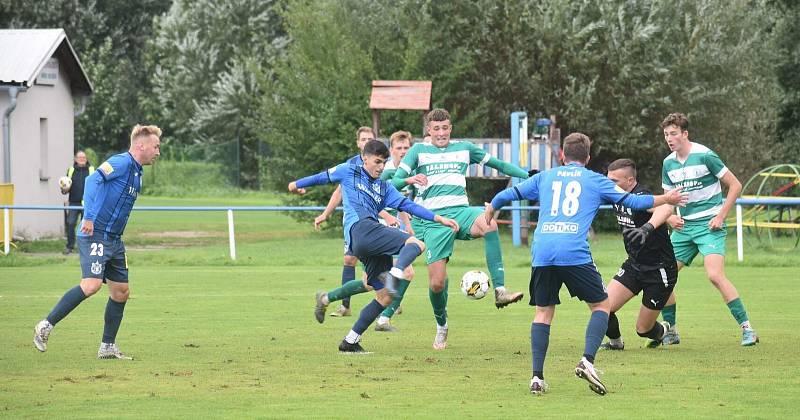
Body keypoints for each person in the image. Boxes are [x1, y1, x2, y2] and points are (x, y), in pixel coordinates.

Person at [485, 133, 687, 396]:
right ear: (588, 158)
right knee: (601, 306)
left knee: (543, 313)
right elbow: (636, 201)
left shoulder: (546, 176)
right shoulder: (595, 180)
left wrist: (491, 209)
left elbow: (508, 194)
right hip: (573, 251)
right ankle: (587, 361)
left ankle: (536, 378)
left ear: (562, 156)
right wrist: (667, 199)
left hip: (542, 250)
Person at [290, 140, 459, 352]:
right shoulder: (349, 171)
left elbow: (408, 205)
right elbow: (321, 177)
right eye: (377, 162)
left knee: (385, 296)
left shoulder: (383, 187)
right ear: (365, 158)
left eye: (383, 162)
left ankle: (350, 341)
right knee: (415, 242)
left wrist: (438, 218)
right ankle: (396, 272)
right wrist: (295, 185)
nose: (380, 167)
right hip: (360, 229)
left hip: (367, 242)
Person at [390, 108, 529, 350]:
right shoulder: (418, 152)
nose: (441, 133)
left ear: (450, 128)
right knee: (436, 285)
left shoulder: (464, 148)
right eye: (436, 129)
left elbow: (499, 164)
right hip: (433, 220)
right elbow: (393, 182)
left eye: (445, 128)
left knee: (490, 223)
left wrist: (529, 176)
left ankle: (500, 290)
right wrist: (409, 180)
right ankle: (442, 325)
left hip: (462, 212)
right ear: (428, 131)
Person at [33, 125, 161, 359]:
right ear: (141, 145)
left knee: (121, 292)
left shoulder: (136, 172)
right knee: (91, 285)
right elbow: (93, 181)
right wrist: (89, 217)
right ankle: (45, 326)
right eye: (156, 146)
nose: (158, 151)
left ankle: (107, 346)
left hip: (114, 240)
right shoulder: (121, 162)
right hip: (96, 233)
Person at [659, 112, 758, 346]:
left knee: (714, 275)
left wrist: (720, 216)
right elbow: (667, 198)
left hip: (708, 226)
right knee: (661, 278)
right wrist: (669, 219)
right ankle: (670, 331)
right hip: (683, 229)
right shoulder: (668, 163)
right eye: (666, 134)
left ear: (685, 133)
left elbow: (735, 185)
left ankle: (747, 329)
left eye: (673, 133)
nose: (669, 138)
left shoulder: (705, 155)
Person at [314, 126, 398, 318]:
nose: (366, 142)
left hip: (375, 226)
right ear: (358, 143)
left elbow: (378, 197)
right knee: (353, 263)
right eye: (363, 139)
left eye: (370, 138)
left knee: (371, 279)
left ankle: (385, 303)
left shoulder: (380, 166)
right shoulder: (350, 166)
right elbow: (339, 192)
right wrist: (326, 213)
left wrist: (389, 216)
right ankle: (349, 306)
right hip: (358, 226)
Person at [599, 159, 678, 351]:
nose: (609, 185)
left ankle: (665, 329)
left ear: (630, 180)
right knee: (602, 309)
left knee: (643, 330)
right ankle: (616, 343)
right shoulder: (615, 195)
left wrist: (647, 228)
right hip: (634, 265)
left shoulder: (641, 195)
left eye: (614, 181)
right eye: (608, 180)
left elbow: (666, 206)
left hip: (659, 270)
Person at [374, 130, 415, 332]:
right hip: (376, 226)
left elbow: (401, 203)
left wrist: (407, 225)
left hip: (393, 229)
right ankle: (331, 297)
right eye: (399, 148)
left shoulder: (406, 174)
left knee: (404, 271)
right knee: (373, 281)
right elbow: (371, 200)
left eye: (406, 148)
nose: (403, 151)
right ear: (391, 151)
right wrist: (388, 217)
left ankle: (384, 317)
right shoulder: (386, 173)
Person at [61, 151, 95, 255]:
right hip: (74, 202)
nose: (82, 159)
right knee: (70, 224)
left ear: (86, 159)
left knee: (87, 226)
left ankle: (87, 248)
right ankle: (70, 247)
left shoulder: (92, 170)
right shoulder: (71, 170)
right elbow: (65, 188)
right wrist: (64, 189)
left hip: (88, 204)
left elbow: (96, 186)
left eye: (83, 158)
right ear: (75, 159)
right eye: (79, 158)